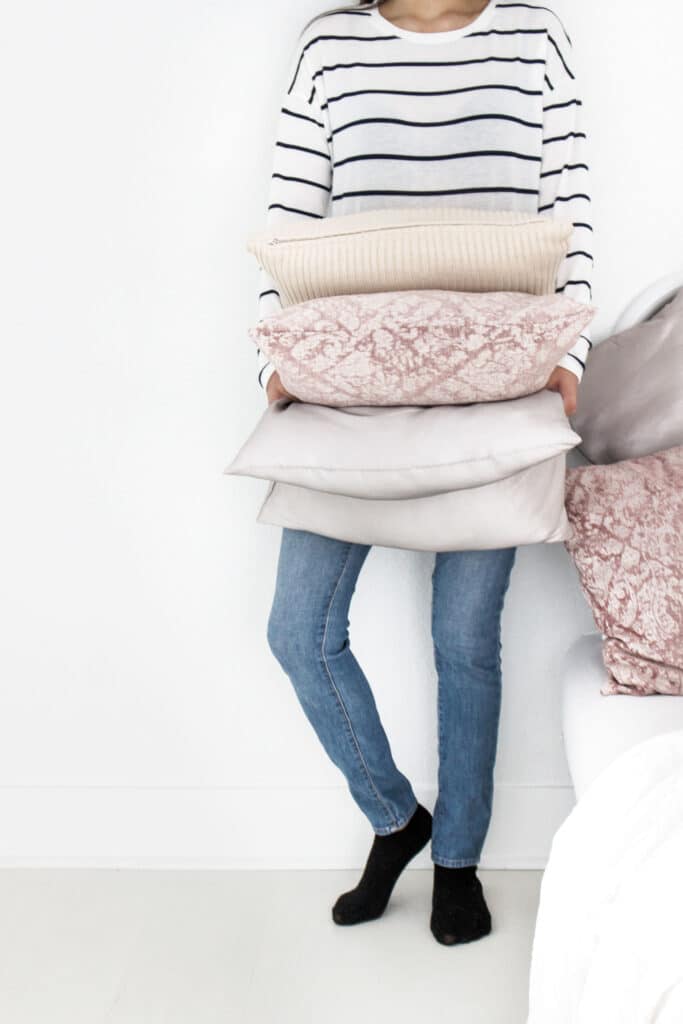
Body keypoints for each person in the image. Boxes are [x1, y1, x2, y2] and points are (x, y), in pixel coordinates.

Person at [254, 0, 593, 945]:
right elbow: (286, 222)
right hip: (345, 387)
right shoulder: (329, 42)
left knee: (463, 640)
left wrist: (570, 359)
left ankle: (458, 861)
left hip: (498, 384)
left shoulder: (535, 36)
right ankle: (396, 820)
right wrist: (272, 364)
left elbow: (568, 212)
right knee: (298, 631)